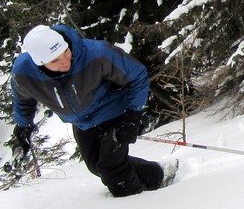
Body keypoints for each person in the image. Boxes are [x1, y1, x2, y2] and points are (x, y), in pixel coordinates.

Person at [10, 24, 178, 196]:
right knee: (96, 166)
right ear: (39, 63)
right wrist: (23, 129)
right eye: (55, 60)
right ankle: (158, 174)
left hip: (114, 112)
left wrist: (133, 117)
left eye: (65, 52)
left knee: (112, 169)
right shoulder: (23, 74)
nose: (65, 61)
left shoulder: (96, 53)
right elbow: (23, 101)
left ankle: (140, 207)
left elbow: (137, 76)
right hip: (82, 123)